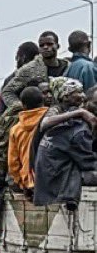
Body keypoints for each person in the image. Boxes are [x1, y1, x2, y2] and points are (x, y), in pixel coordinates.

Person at [34, 77, 97, 207]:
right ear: (65, 96)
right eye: (77, 93)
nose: (82, 96)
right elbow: (88, 162)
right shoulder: (74, 125)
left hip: (51, 170)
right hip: (57, 175)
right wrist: (80, 112)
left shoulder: (72, 118)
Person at [2, 31, 72, 108]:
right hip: (39, 116)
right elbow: (7, 92)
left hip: (66, 113)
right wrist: (21, 107)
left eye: (49, 44)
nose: (45, 47)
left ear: (57, 46)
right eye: (42, 45)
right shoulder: (30, 69)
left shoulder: (68, 67)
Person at [7, 86, 49, 192]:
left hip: (28, 181)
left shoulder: (15, 129)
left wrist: (21, 182)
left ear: (23, 106)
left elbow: (13, 163)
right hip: (51, 180)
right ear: (43, 100)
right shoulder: (52, 120)